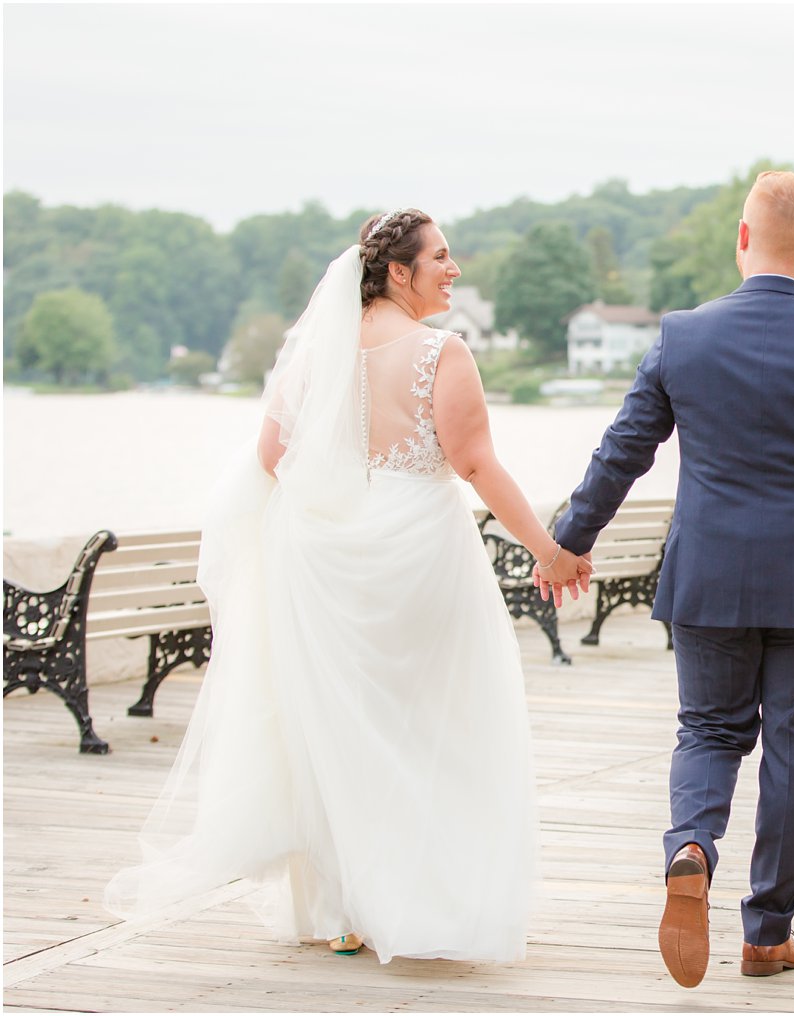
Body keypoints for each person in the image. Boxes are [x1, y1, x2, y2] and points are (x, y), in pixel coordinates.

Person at [105, 209, 590, 964]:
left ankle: (344, 911)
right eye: (441, 257)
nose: (454, 270)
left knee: (340, 729)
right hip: (418, 555)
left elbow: (272, 456)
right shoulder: (442, 353)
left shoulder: (320, 354)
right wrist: (551, 552)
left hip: (325, 560)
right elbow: (475, 465)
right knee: (431, 726)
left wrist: (340, 506)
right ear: (399, 271)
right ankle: (419, 900)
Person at [549, 171, 794, 988]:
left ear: (741, 239)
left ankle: (690, 846)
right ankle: (768, 933)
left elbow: (622, 453)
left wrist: (569, 541)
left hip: (709, 576)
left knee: (709, 730)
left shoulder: (684, 336)